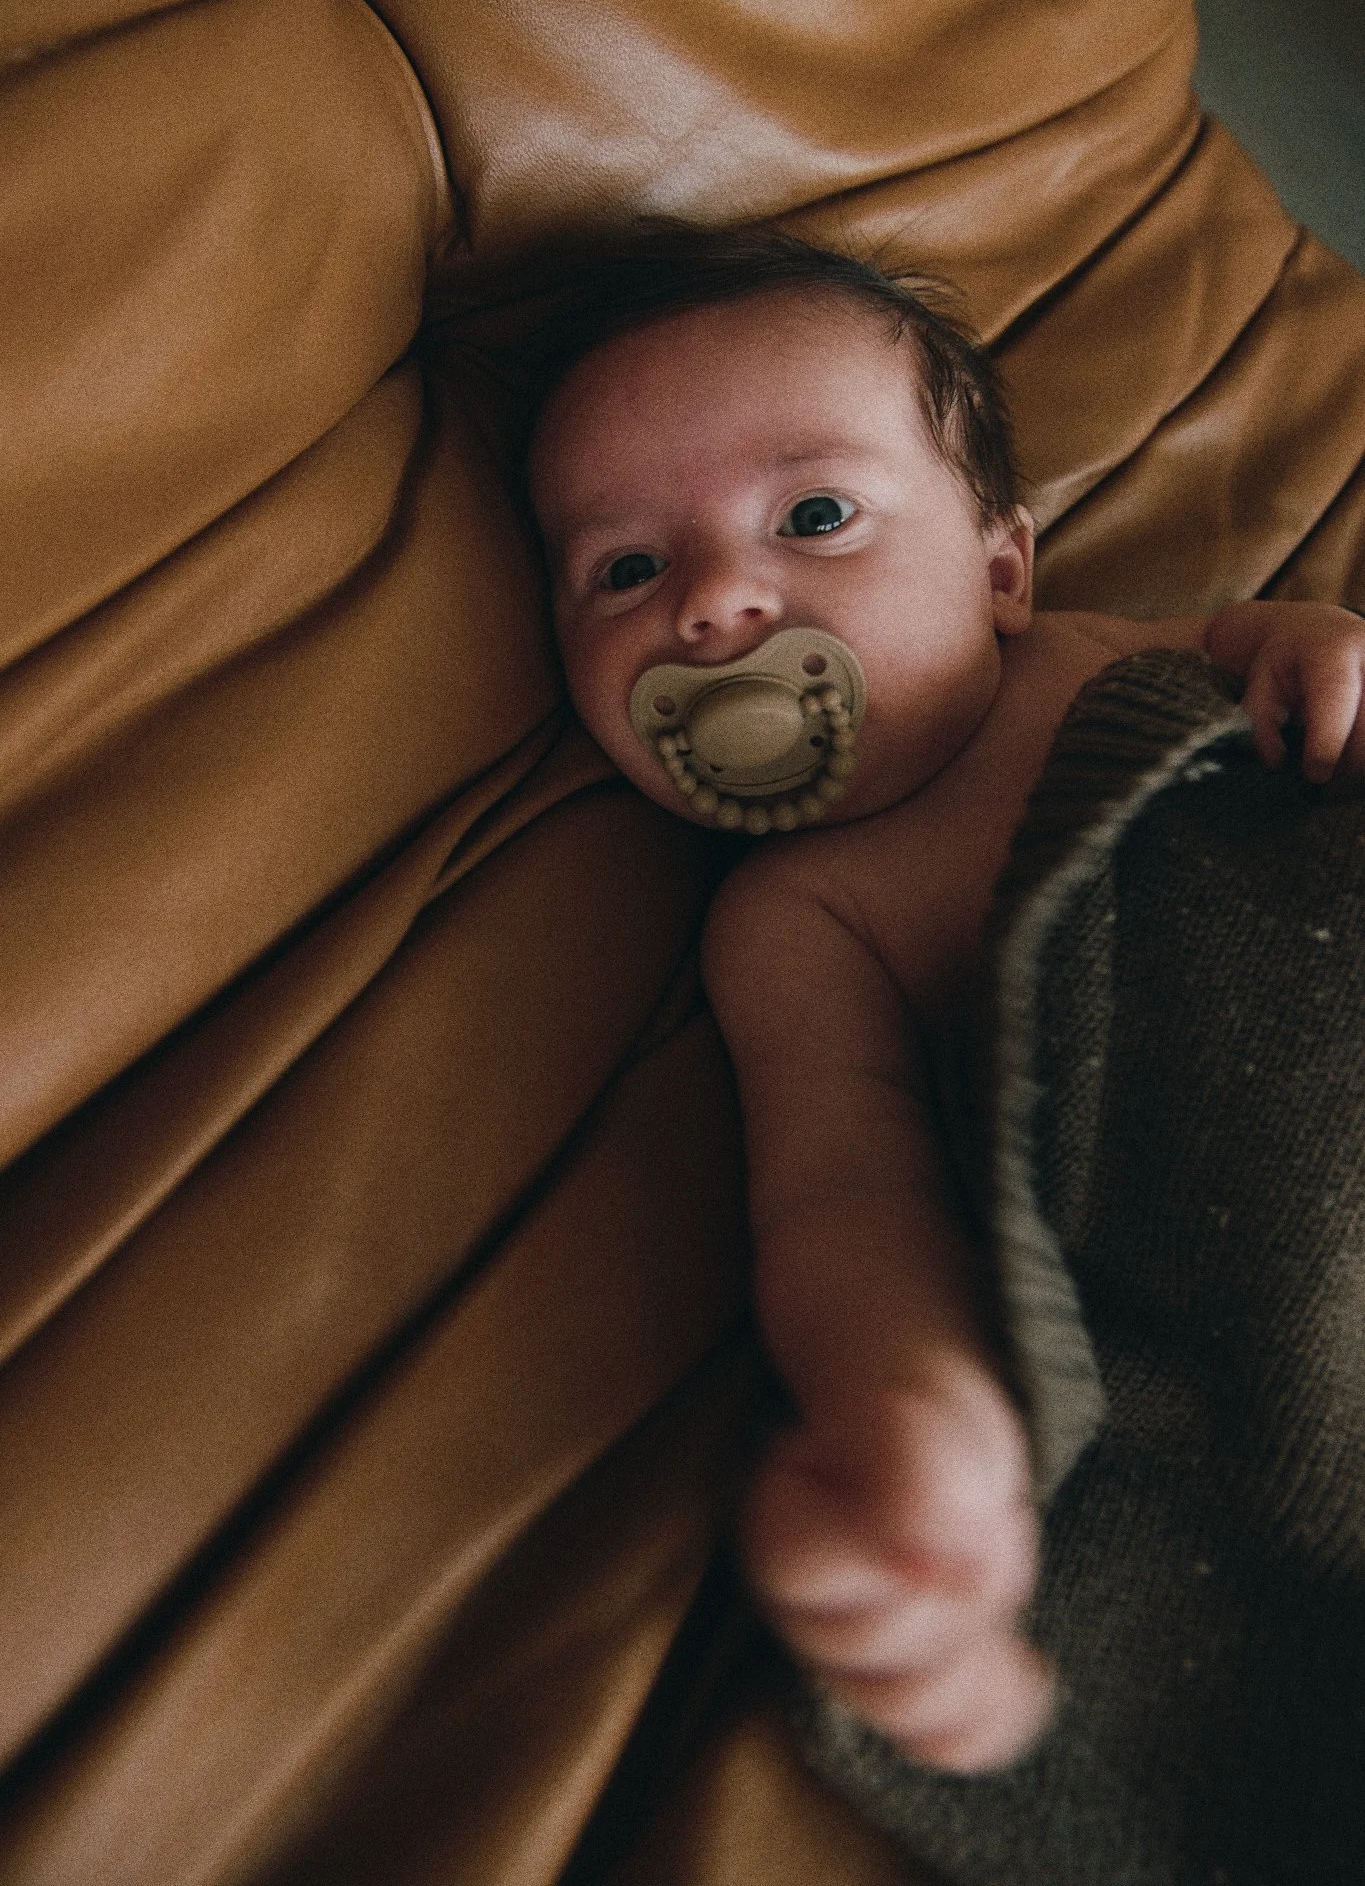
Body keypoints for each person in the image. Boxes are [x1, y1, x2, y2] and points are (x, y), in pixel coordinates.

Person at [520, 227, 1365, 1777]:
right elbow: (846, 1191)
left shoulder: (1116, 661)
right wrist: (909, 1400)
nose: (713, 603)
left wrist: (1320, 649)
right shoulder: (799, 921)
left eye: (816, 514)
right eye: (624, 568)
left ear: (1001, 572)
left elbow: (1271, 658)